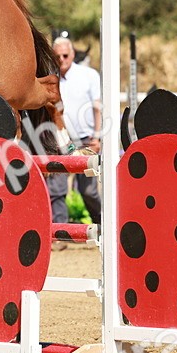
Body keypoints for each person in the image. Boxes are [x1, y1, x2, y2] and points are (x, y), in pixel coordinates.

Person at [46, 37, 103, 228]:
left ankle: (103, 226)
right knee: (56, 190)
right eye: (57, 56)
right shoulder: (48, 78)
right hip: (59, 141)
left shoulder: (89, 75)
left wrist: (97, 136)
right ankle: (60, 231)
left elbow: (97, 108)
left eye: (65, 55)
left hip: (86, 140)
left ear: (72, 54)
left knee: (89, 191)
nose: (61, 59)